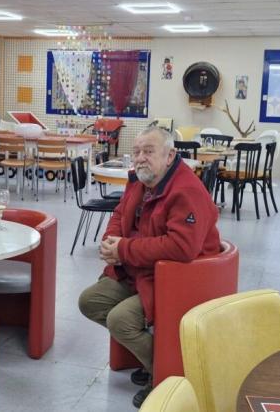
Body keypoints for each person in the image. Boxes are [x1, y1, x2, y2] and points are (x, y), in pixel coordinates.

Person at [77, 126, 221, 407]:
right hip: (142, 271)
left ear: (170, 155)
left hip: (177, 280)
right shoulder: (140, 181)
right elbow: (120, 214)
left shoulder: (186, 191)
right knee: (90, 302)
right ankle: (153, 357)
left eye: (149, 151)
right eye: (137, 151)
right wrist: (111, 242)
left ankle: (167, 374)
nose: (140, 158)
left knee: (120, 320)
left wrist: (124, 250)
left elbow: (181, 248)